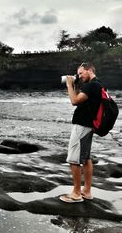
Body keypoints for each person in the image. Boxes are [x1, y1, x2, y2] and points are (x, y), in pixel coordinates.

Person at [60, 62, 102, 203]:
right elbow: (81, 99)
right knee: (86, 158)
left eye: (81, 73)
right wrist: (76, 86)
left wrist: (69, 85)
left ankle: (76, 193)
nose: (79, 76)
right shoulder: (97, 85)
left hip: (82, 126)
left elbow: (74, 100)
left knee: (74, 158)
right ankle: (87, 191)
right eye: (78, 74)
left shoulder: (92, 85)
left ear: (89, 70)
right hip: (88, 125)